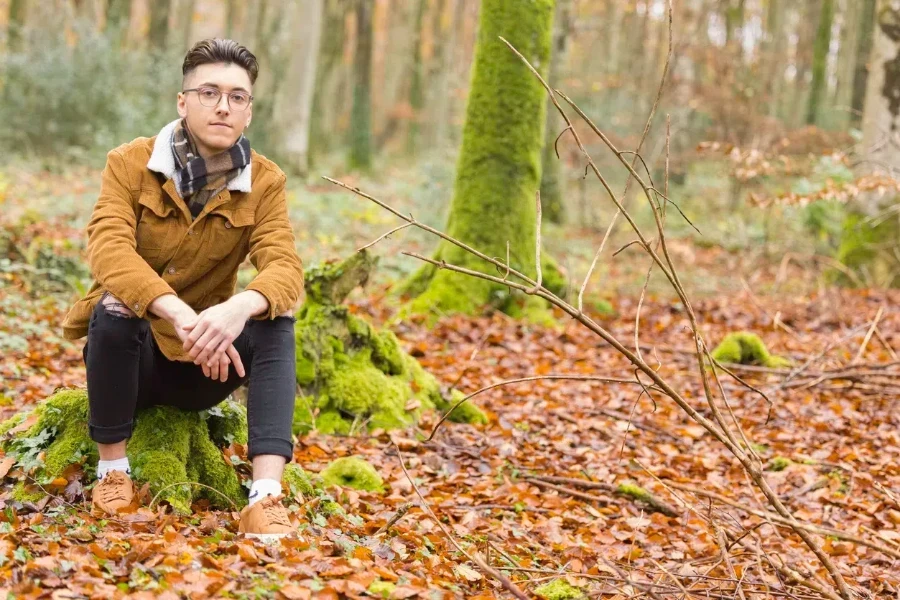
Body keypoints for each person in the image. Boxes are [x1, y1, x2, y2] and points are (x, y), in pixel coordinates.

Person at [61, 38, 304, 540]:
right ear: (182, 101)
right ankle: (113, 473)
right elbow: (108, 249)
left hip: (204, 362)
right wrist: (175, 311)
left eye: (238, 97)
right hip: (134, 361)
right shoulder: (130, 164)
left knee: (275, 319)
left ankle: (265, 498)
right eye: (209, 92)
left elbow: (284, 266)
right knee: (115, 307)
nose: (223, 106)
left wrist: (238, 308)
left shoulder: (265, 182)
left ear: (249, 111)